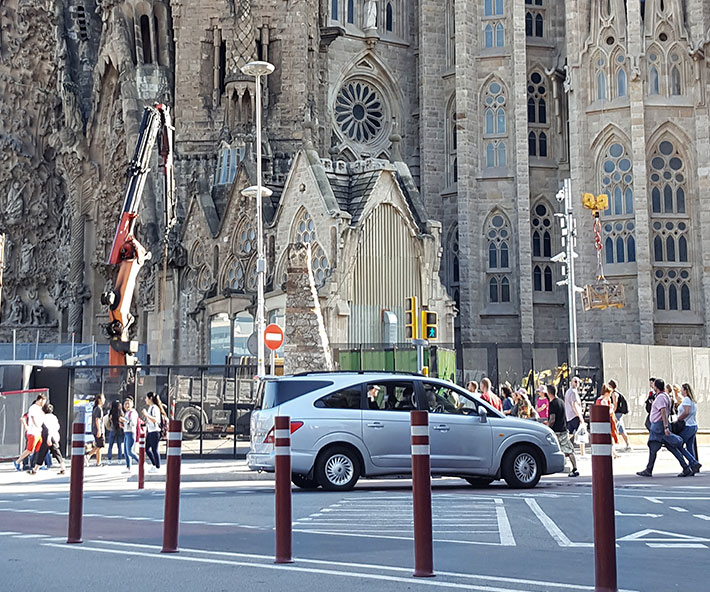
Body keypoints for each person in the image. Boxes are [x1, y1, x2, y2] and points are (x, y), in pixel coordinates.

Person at [637, 378, 699, 478]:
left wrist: (666, 426)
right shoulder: (665, 396)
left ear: (656, 387)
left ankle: (690, 463)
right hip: (660, 425)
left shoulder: (661, 397)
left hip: (659, 426)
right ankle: (686, 467)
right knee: (670, 447)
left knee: (661, 445)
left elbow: (663, 411)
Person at [547, 384, 579, 477]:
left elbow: (552, 419)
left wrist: (548, 426)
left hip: (556, 431)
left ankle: (561, 466)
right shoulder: (561, 401)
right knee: (569, 450)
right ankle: (574, 468)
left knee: (556, 449)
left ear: (549, 393)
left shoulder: (552, 404)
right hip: (564, 429)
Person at [13, 393, 47, 472]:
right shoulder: (33, 408)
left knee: (39, 448)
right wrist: (35, 426)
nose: (44, 404)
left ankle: (37, 464)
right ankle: (18, 461)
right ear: (40, 400)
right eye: (43, 401)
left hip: (38, 432)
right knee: (30, 449)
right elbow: (33, 418)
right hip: (33, 432)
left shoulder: (40, 409)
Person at [30, 403, 66, 475]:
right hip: (53, 436)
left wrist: (49, 438)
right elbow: (57, 426)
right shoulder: (54, 417)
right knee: (55, 452)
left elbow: (48, 429)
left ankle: (35, 469)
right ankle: (62, 468)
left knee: (42, 453)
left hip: (47, 436)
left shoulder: (44, 417)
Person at [676, 383, 701, 474]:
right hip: (694, 425)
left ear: (685, 390)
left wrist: (679, 419)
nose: (681, 391)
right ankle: (692, 467)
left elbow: (687, 412)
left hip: (687, 426)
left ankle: (693, 462)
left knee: (678, 444)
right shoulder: (693, 401)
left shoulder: (686, 400)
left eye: (682, 389)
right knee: (690, 446)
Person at [142, 392, 166, 472]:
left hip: (155, 431)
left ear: (150, 398)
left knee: (154, 449)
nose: (145, 400)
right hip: (150, 430)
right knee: (147, 449)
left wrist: (146, 415)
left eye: (146, 398)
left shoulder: (154, 408)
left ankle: (158, 466)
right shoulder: (150, 408)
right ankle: (154, 464)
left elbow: (155, 419)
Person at [595, 384, 620, 458]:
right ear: (606, 393)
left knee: (609, 437)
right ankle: (613, 453)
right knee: (610, 437)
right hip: (607, 421)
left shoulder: (599, 400)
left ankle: (613, 452)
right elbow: (607, 412)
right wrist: (612, 408)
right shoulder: (604, 401)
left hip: (602, 421)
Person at [565, 376, 586, 457]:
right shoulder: (573, 392)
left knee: (570, 434)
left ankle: (564, 448)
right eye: (575, 381)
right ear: (571, 382)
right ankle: (582, 452)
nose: (577, 383)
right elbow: (574, 405)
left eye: (578, 382)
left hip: (569, 416)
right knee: (581, 433)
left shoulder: (568, 391)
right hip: (574, 415)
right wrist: (580, 417)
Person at [608, 379, 631, 451]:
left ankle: (612, 446)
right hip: (618, 413)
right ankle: (628, 444)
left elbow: (615, 405)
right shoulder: (616, 393)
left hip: (616, 413)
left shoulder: (614, 394)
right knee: (621, 429)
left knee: (613, 428)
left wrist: (612, 413)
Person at [120, 397, 140, 473]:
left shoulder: (133, 413)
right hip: (126, 432)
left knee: (130, 451)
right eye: (125, 404)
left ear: (132, 404)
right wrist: (123, 425)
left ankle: (141, 462)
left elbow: (133, 423)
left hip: (131, 433)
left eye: (129, 403)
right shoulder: (126, 413)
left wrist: (125, 421)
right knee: (126, 452)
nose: (127, 405)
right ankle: (128, 467)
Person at [85, 393, 106, 467]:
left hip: (96, 429)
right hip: (98, 430)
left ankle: (98, 462)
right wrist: (99, 430)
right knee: (100, 445)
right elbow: (97, 420)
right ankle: (88, 455)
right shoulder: (98, 409)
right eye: (103, 398)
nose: (104, 400)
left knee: (98, 446)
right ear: (99, 400)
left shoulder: (96, 408)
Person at [106, 399, 124, 464]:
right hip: (119, 429)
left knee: (110, 445)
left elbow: (109, 419)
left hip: (112, 429)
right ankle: (119, 459)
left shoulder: (111, 412)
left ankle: (109, 459)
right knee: (119, 445)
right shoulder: (120, 412)